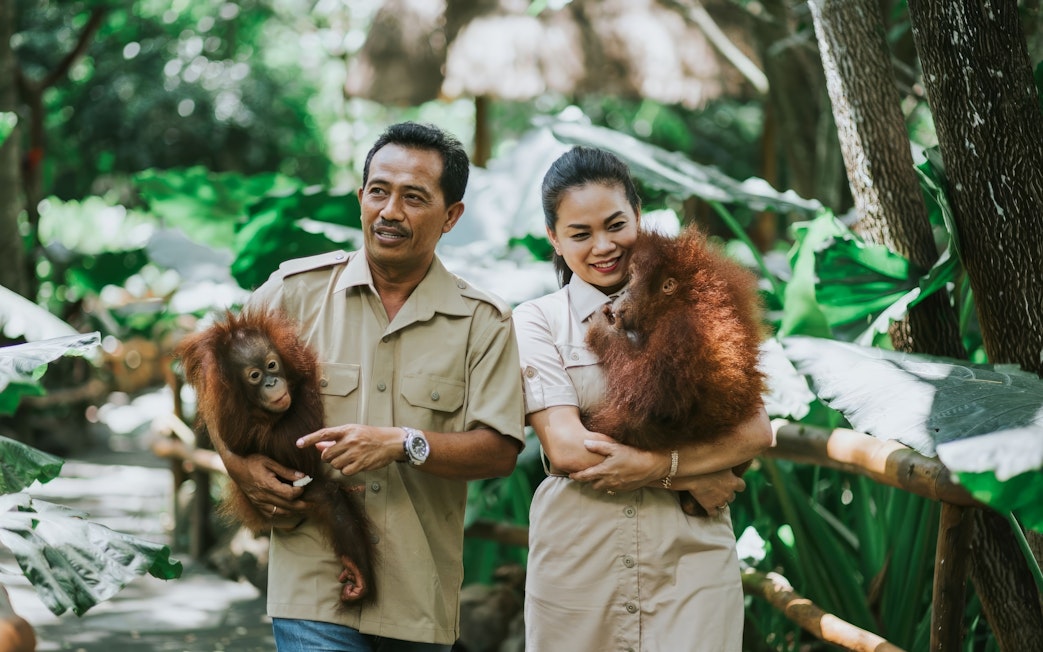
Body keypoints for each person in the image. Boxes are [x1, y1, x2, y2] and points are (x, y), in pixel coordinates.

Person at [209, 121, 525, 652]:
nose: (390, 211)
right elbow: (216, 384)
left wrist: (405, 443)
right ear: (361, 197)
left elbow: (497, 452)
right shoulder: (293, 293)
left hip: (418, 598)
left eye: (414, 198)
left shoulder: (483, 322)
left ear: (451, 217)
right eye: (378, 191)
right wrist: (237, 464)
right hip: (313, 588)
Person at [513, 146, 774, 651]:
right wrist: (696, 471)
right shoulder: (539, 320)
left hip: (689, 556)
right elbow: (567, 448)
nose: (603, 246)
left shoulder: (693, 294)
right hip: (580, 558)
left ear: (638, 214)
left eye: (615, 225)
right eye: (580, 233)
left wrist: (655, 467)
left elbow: (755, 431)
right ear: (554, 238)